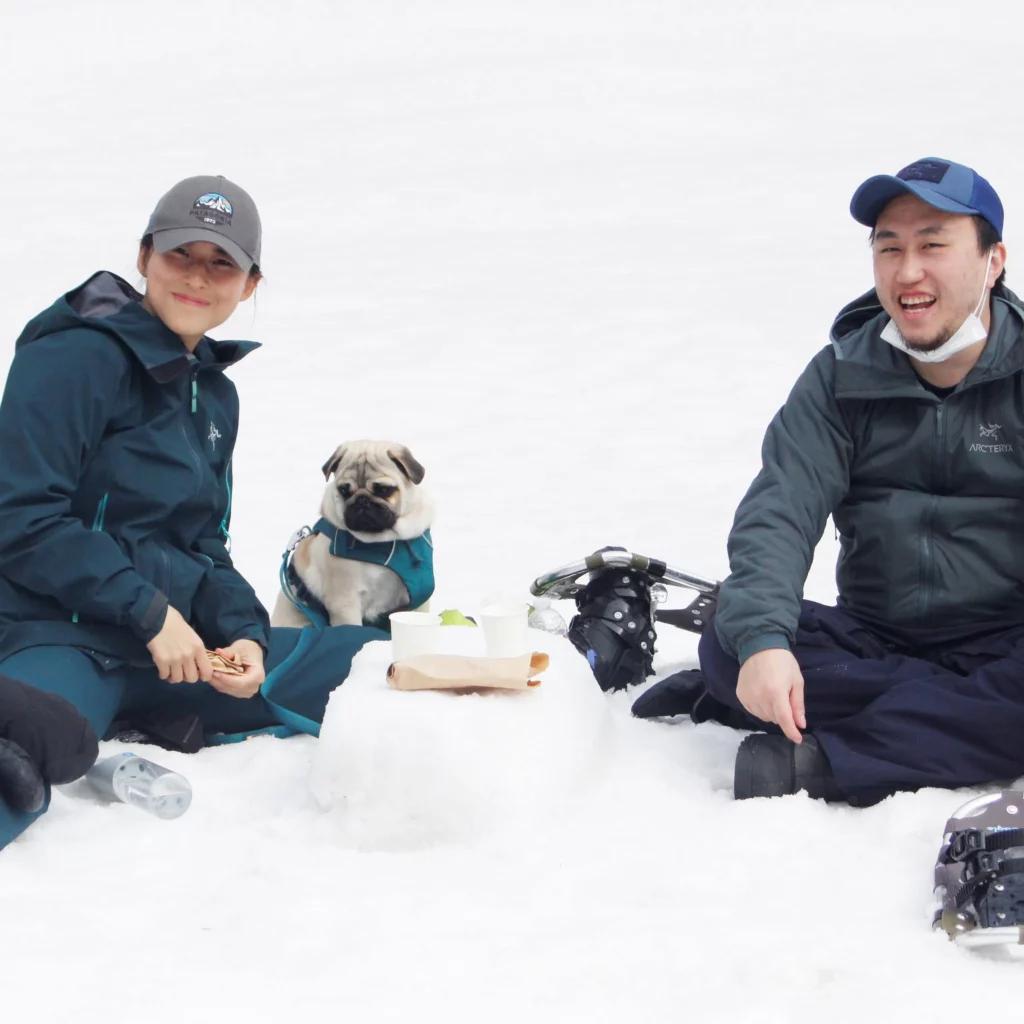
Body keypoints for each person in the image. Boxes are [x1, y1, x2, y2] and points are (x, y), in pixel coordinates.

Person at [0, 175, 385, 851]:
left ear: (250, 285)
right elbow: (21, 516)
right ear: (144, 256)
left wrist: (244, 636)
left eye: (222, 265)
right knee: (29, 755)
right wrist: (148, 612)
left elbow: (204, 546)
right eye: (182, 255)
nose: (198, 279)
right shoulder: (75, 356)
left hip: (173, 657)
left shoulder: (213, 396)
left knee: (374, 661)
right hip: (54, 638)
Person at [690, 157, 1024, 806]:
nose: (908, 271)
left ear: (993, 261)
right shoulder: (841, 376)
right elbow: (779, 512)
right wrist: (763, 643)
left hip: (1007, 638)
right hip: (874, 635)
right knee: (729, 642)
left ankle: (825, 759)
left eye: (933, 245)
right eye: (889, 247)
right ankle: (954, 727)